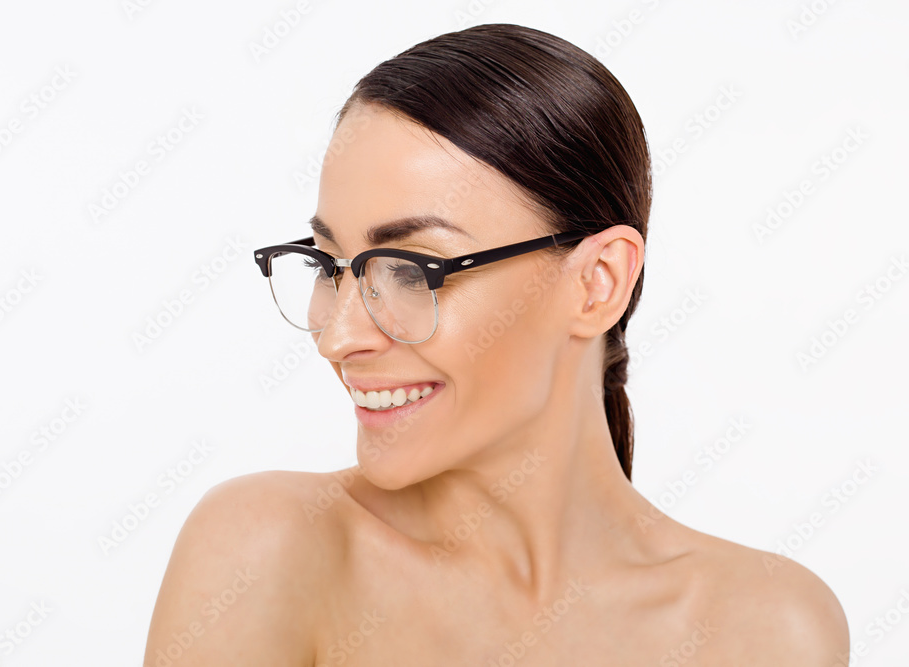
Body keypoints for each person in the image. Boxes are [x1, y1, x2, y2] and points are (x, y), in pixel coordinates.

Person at [144, 23, 849, 665]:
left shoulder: (769, 629)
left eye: (410, 270)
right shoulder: (267, 553)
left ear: (597, 283)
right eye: (330, 265)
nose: (340, 336)